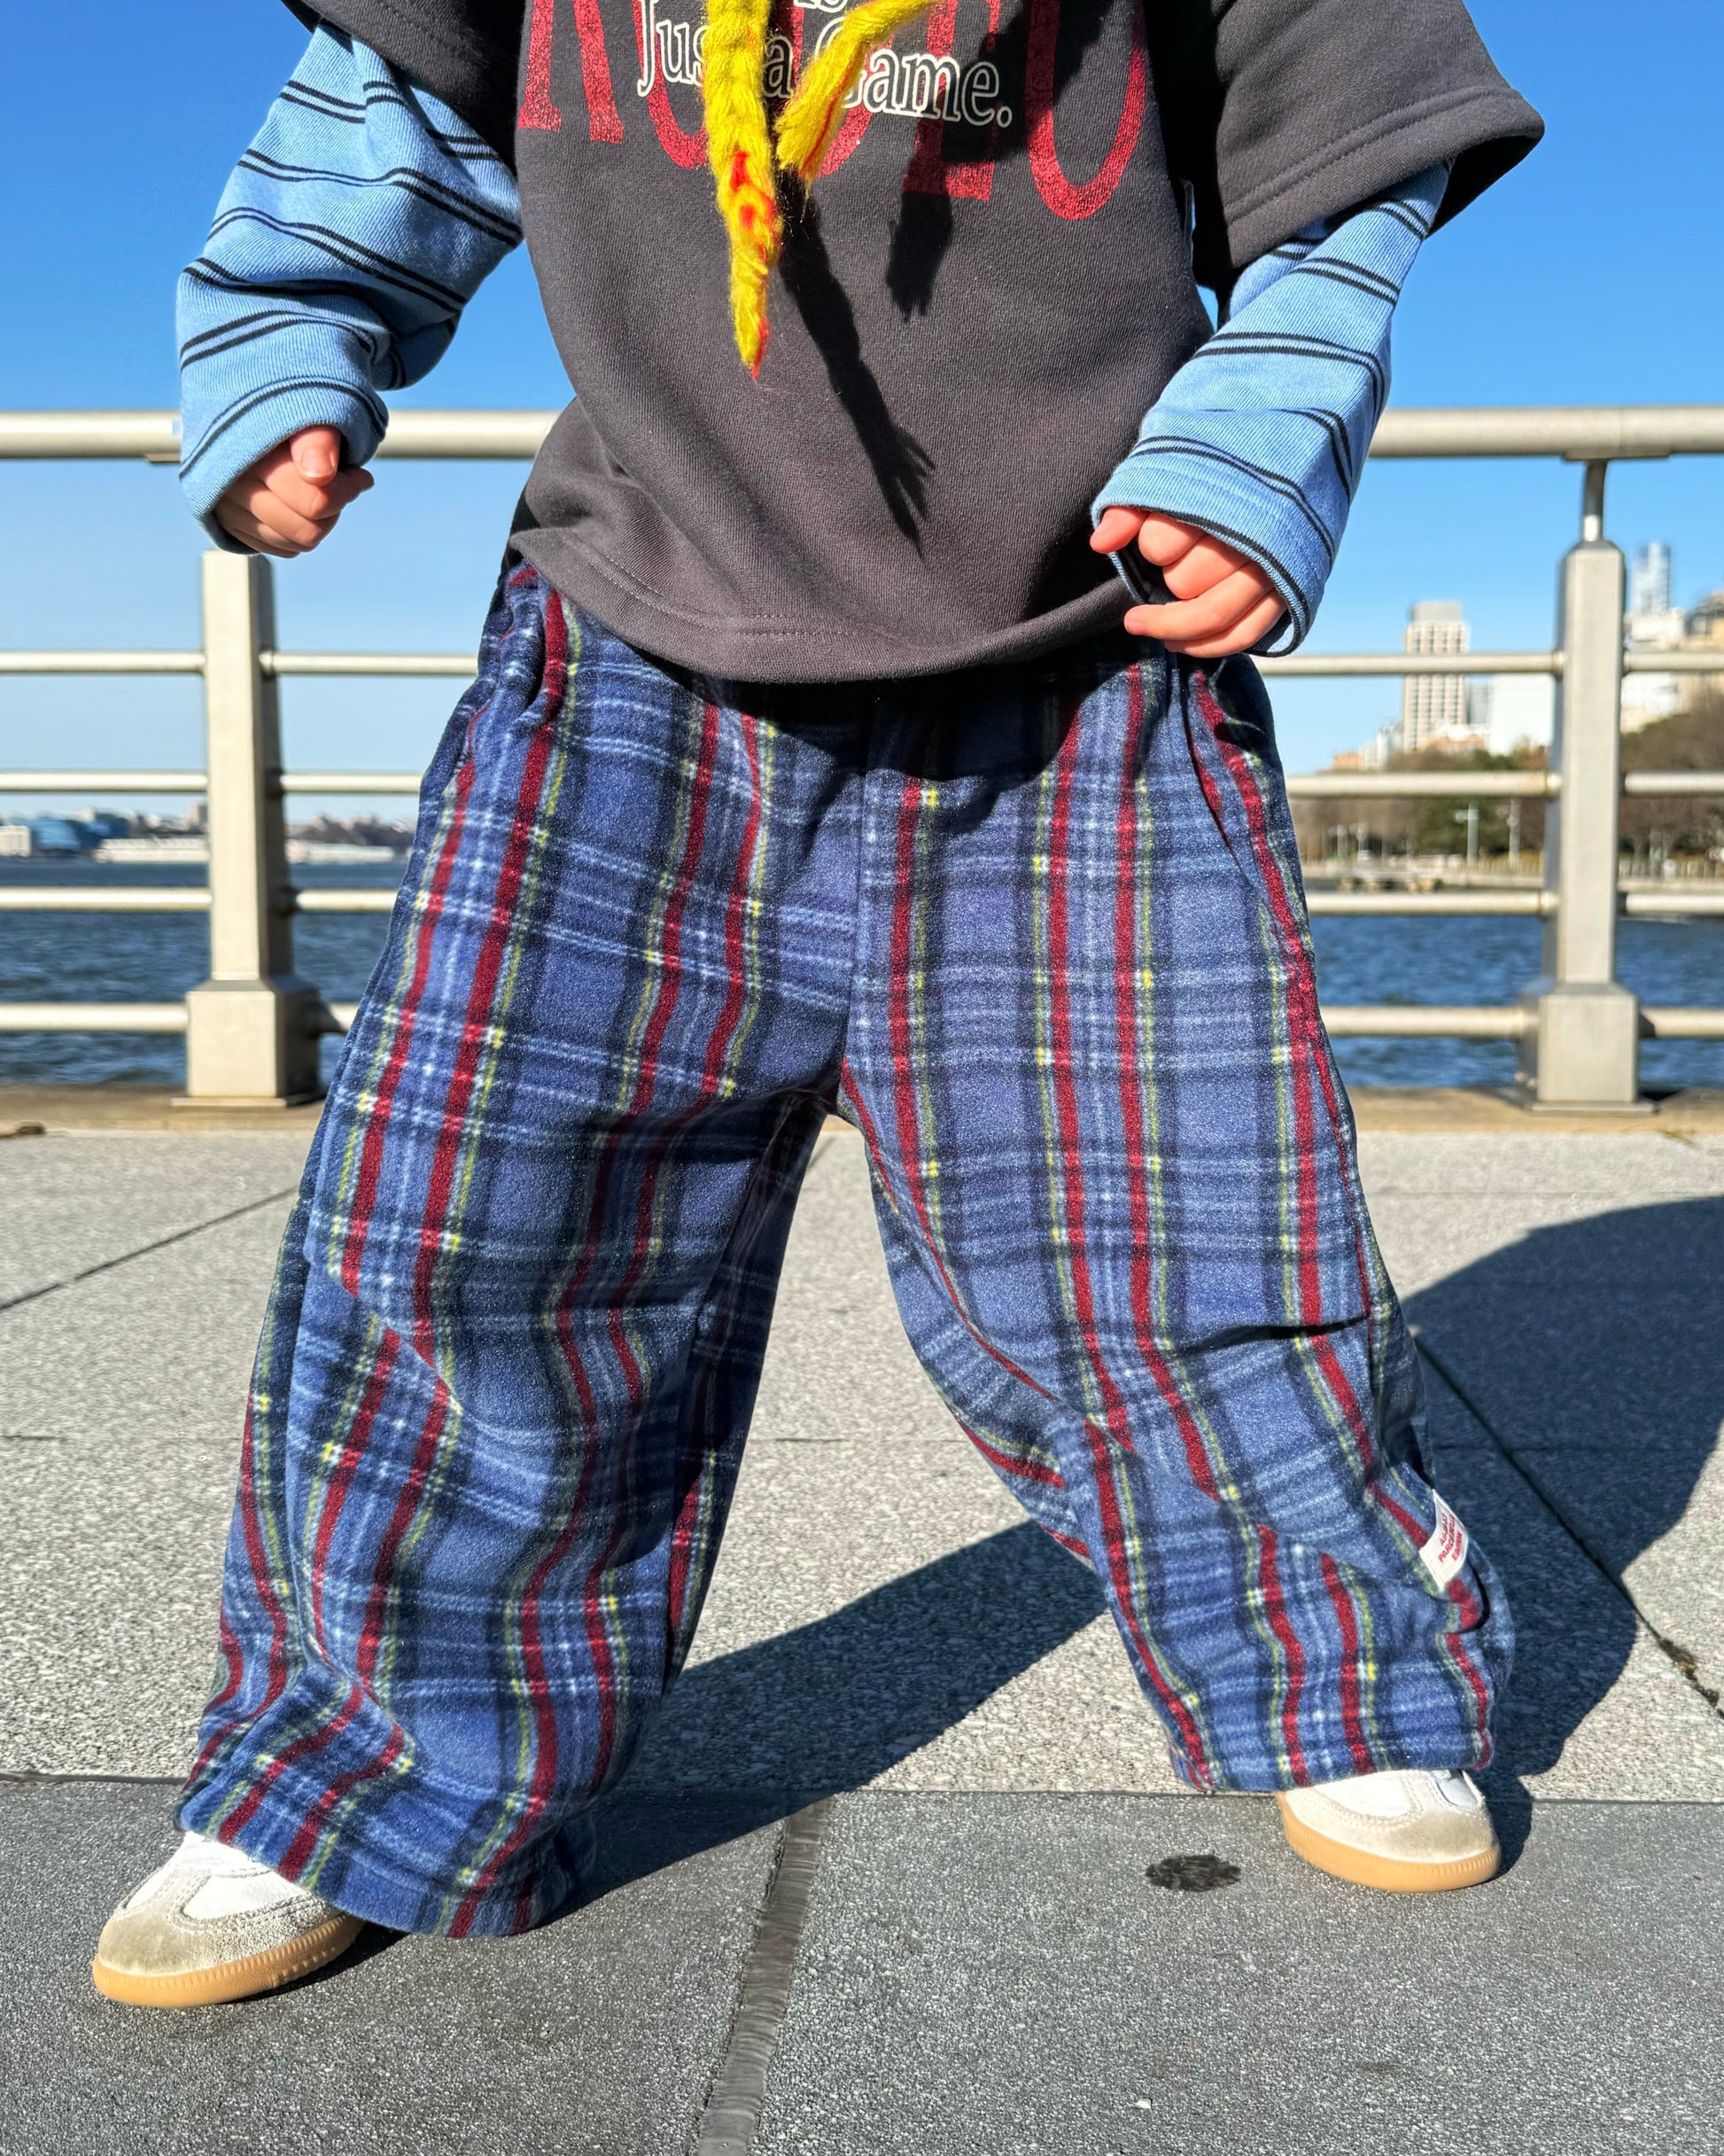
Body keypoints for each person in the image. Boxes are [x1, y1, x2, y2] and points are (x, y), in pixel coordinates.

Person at [92, 0, 1541, 2008]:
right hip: (632, 648)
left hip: (1082, 654)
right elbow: (386, 113)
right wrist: (281, 346)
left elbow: (1341, 161)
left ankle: (1332, 1654)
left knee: (1177, 1219)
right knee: (481, 1226)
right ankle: (367, 1757)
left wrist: (1256, 433)